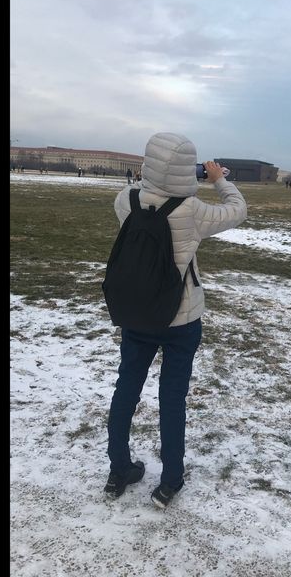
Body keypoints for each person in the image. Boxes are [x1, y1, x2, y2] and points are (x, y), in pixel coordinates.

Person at [104, 132, 247, 508]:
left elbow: (144, 191)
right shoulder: (193, 210)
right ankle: (169, 481)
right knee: (172, 399)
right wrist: (217, 179)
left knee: (126, 390)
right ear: (190, 169)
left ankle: (118, 469)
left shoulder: (125, 200)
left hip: (137, 315)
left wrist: (152, 179)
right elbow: (238, 210)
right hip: (181, 321)